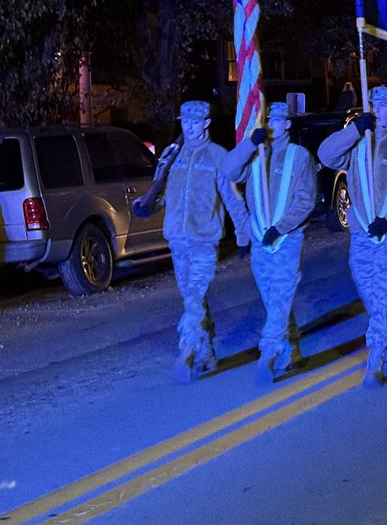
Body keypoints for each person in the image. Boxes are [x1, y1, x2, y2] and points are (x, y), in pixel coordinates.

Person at [132, 100, 251, 384]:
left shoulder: (217, 156)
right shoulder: (172, 156)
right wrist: (145, 205)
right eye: (185, 122)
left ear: (206, 123)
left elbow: (233, 199)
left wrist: (244, 234)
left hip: (203, 241)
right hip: (177, 241)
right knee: (191, 297)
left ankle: (186, 349)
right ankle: (207, 351)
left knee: (195, 296)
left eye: (195, 122)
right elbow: (162, 194)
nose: (189, 127)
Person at [318, 85, 387, 386]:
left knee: (382, 293)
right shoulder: (357, 142)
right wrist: (353, 131)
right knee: (369, 291)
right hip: (362, 234)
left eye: (385, 106)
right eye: (374, 105)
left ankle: (375, 358)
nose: (379, 110)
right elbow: (325, 155)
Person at [223, 101, 317, 379]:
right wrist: (250, 144)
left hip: (287, 238)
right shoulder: (256, 154)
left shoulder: (299, 156)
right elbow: (229, 170)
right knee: (272, 298)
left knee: (280, 295)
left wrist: (282, 227)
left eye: (277, 120)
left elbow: (306, 199)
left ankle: (270, 352)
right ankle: (292, 349)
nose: (272, 125)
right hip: (260, 240)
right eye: (268, 120)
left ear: (287, 124)